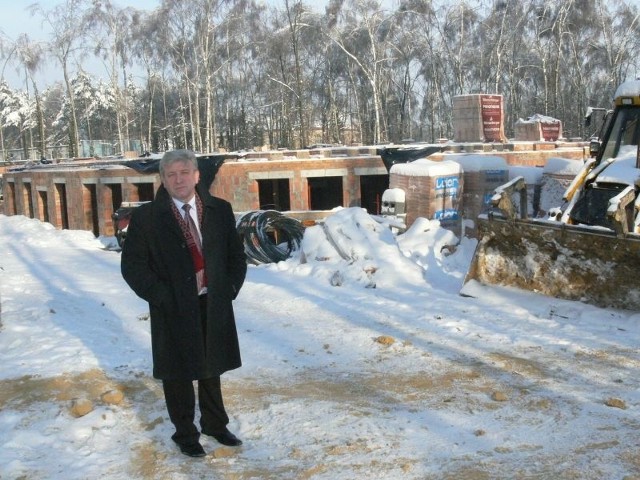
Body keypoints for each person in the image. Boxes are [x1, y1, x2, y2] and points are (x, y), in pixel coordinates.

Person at [121, 149, 247, 458]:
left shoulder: (219, 209)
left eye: (184, 172)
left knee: (211, 365)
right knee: (177, 372)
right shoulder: (148, 217)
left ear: (197, 175)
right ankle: (185, 433)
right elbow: (133, 266)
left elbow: (235, 256)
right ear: (163, 179)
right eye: (171, 174)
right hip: (172, 306)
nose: (179, 179)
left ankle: (215, 425)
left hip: (212, 301)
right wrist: (162, 296)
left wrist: (229, 287)